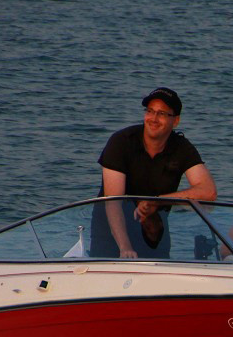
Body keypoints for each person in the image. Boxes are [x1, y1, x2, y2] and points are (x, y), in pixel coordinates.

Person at [90, 87, 217, 258]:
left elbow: (208, 192)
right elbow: (113, 202)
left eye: (162, 113)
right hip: (111, 232)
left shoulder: (181, 147)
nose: (154, 118)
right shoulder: (121, 142)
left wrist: (157, 201)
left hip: (154, 229)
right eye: (150, 111)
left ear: (176, 121)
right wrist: (125, 247)